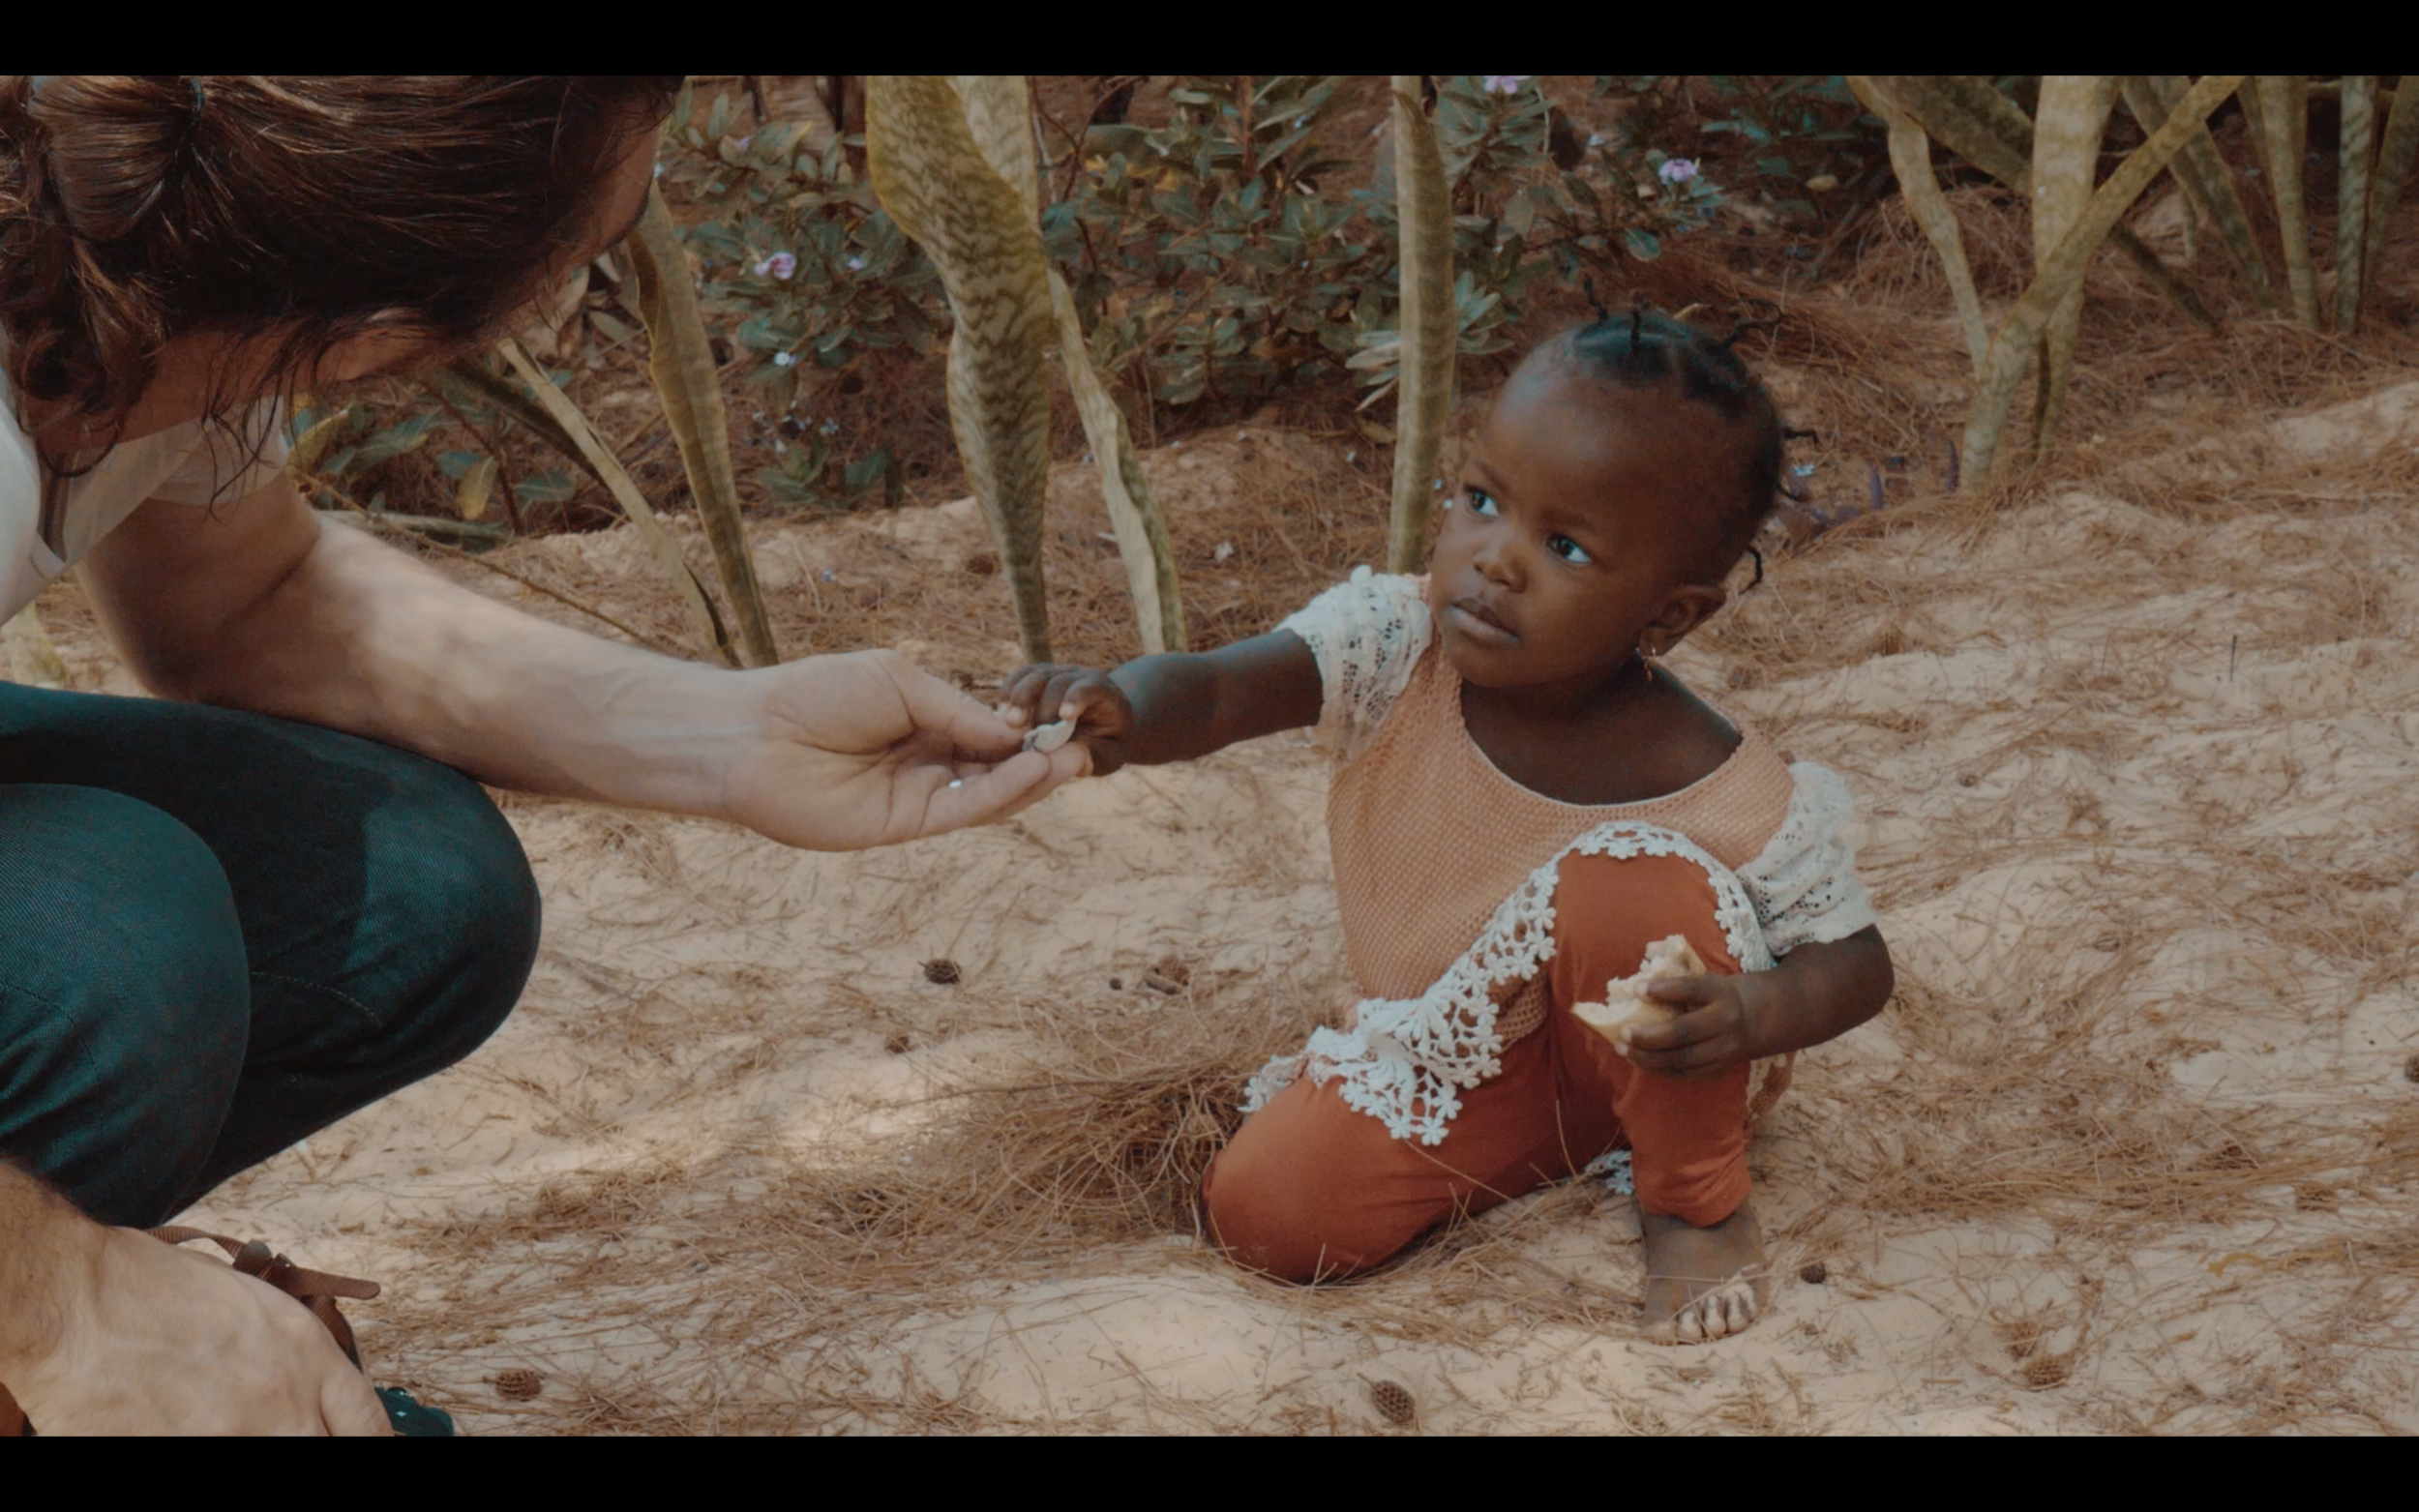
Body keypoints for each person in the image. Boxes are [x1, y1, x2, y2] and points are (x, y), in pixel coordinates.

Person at [0, 75, 1083, 1435]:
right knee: (113, 944)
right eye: (596, 251)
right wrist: (68, 1298)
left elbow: (249, 606)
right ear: (376, 341)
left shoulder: (165, 286)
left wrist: (729, 734)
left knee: (412, 888)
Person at [1000, 305, 1895, 1344]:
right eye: (1482, 500)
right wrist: (1126, 709)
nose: (1494, 560)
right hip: (1460, 1057)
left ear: (1670, 616)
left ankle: (1691, 1200)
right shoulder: (1393, 646)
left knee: (1630, 878)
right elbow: (1220, 691)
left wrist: (1749, 1015)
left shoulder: (1706, 774)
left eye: (1563, 545)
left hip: (1670, 1059)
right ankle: (1544, 1152)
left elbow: (1855, 964)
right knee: (1265, 1216)